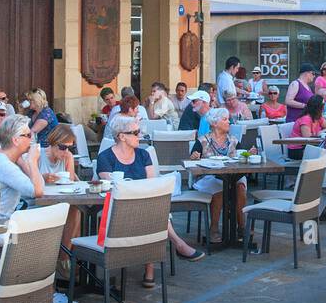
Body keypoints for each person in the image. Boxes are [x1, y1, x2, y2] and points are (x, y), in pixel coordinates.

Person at [97, 114, 205, 288]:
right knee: (155, 213)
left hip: (144, 204)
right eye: (136, 132)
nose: (140, 136)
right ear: (121, 136)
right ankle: (176, 245)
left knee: (154, 211)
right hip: (118, 209)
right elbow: (113, 188)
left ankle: (151, 266)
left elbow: (152, 183)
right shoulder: (105, 158)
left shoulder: (143, 155)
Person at [189, 108, 250, 245]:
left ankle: (241, 227)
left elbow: (243, 155)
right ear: (214, 123)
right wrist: (194, 156)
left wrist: (249, 153)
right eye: (225, 119)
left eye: (228, 119)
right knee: (219, 188)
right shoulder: (202, 141)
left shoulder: (233, 140)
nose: (229, 121)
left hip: (233, 176)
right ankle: (214, 228)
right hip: (208, 178)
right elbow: (193, 159)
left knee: (240, 186)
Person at [0, 114, 44, 220]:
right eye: (28, 135)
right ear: (16, 140)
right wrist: (32, 161)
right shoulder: (4, 165)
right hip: (0, 227)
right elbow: (38, 191)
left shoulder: (4, 160)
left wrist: (22, 162)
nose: (31, 139)